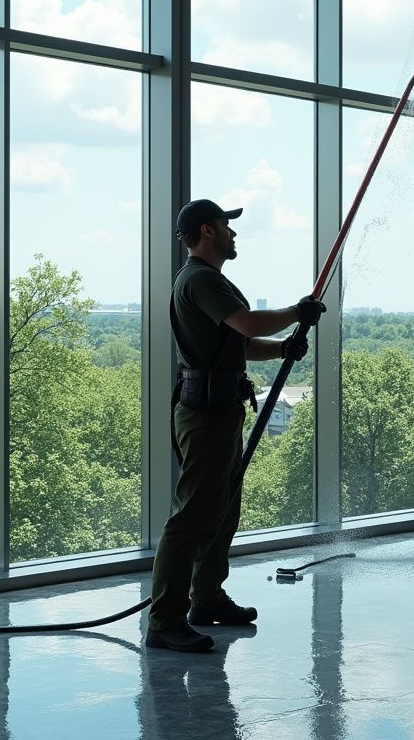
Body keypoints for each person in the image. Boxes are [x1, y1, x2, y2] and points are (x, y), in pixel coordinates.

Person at [145, 198, 325, 653]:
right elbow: (246, 322)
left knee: (221, 511)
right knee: (190, 517)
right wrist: (295, 312)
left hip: (219, 410)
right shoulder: (200, 280)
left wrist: (283, 348)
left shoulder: (207, 281)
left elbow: (237, 343)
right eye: (227, 226)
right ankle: (165, 621)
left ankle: (205, 599)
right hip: (205, 416)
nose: (234, 233)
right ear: (207, 231)